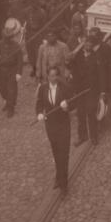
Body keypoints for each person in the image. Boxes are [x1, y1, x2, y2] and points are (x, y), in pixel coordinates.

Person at [36, 66, 72, 195]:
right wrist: (39, 113)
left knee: (64, 155)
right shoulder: (43, 88)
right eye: (51, 76)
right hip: (51, 127)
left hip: (63, 126)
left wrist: (66, 106)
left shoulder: (65, 88)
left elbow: (73, 104)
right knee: (56, 153)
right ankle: (58, 176)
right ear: (47, 76)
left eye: (56, 75)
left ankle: (64, 184)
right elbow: (39, 103)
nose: (54, 78)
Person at [0, 18, 23, 118]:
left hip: (12, 70)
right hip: (1, 70)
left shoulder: (16, 46)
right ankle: (7, 102)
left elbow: (20, 61)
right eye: (5, 37)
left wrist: (19, 73)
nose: (7, 38)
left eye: (8, 37)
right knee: (3, 89)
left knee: (11, 90)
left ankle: (11, 108)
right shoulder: (0, 44)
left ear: (11, 37)